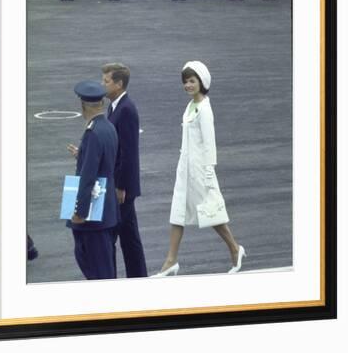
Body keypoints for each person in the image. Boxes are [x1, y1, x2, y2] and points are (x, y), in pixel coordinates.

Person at [153, 61, 245, 277]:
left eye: (192, 81)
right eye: (185, 81)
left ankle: (234, 247)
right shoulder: (190, 106)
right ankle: (171, 260)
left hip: (200, 170)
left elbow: (209, 143)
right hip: (185, 169)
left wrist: (208, 172)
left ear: (202, 82)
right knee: (178, 212)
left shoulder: (204, 108)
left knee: (211, 213)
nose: (188, 85)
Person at [66, 80, 119, 280]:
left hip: (93, 217)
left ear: (82, 106)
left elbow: (87, 178)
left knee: (96, 271)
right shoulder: (108, 128)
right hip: (109, 211)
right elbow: (106, 162)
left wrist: (80, 212)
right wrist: (83, 154)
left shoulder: (92, 133)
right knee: (106, 268)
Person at [101, 63, 148, 278]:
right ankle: (138, 278)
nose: (103, 84)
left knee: (119, 236)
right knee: (129, 237)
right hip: (120, 186)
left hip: (122, 189)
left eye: (106, 81)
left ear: (119, 84)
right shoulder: (114, 107)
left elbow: (128, 153)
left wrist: (121, 186)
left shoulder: (126, 109)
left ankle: (131, 278)